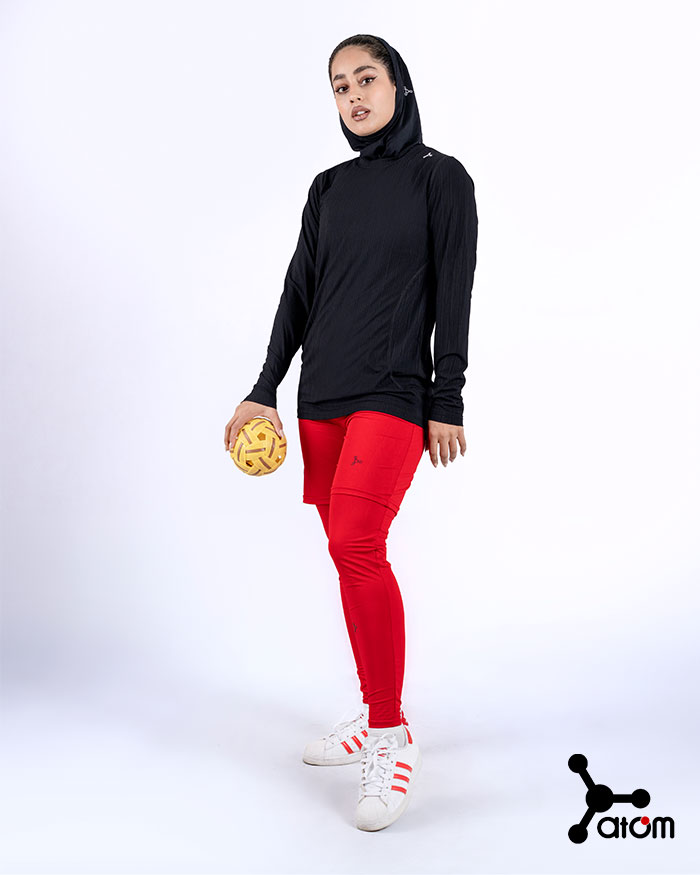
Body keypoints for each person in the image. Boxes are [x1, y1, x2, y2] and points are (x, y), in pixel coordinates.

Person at [223, 33, 478, 831]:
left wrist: (448, 397)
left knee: (357, 543)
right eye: (339, 86)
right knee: (348, 555)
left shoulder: (441, 178)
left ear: (400, 84)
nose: (354, 96)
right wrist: (263, 389)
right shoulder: (328, 187)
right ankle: (374, 711)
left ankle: (391, 736)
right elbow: (298, 291)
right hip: (320, 395)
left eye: (367, 78)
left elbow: (455, 290)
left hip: (394, 392)